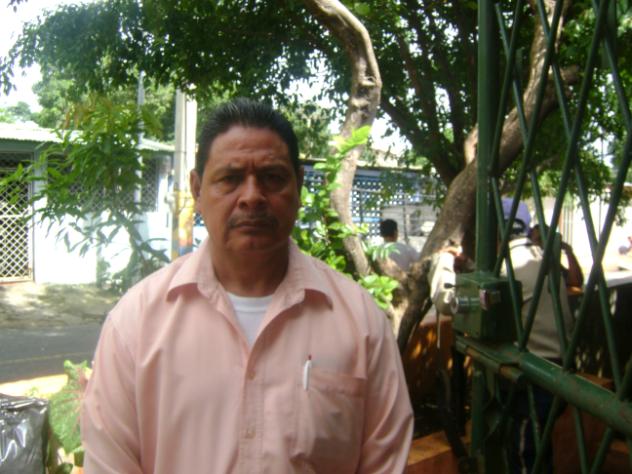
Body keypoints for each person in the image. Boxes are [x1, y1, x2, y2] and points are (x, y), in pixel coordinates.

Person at [80, 98, 413, 473]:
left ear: (298, 186)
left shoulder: (360, 322)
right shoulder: (135, 324)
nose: (252, 196)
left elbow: (384, 463)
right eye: (230, 178)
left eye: (272, 177)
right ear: (197, 189)